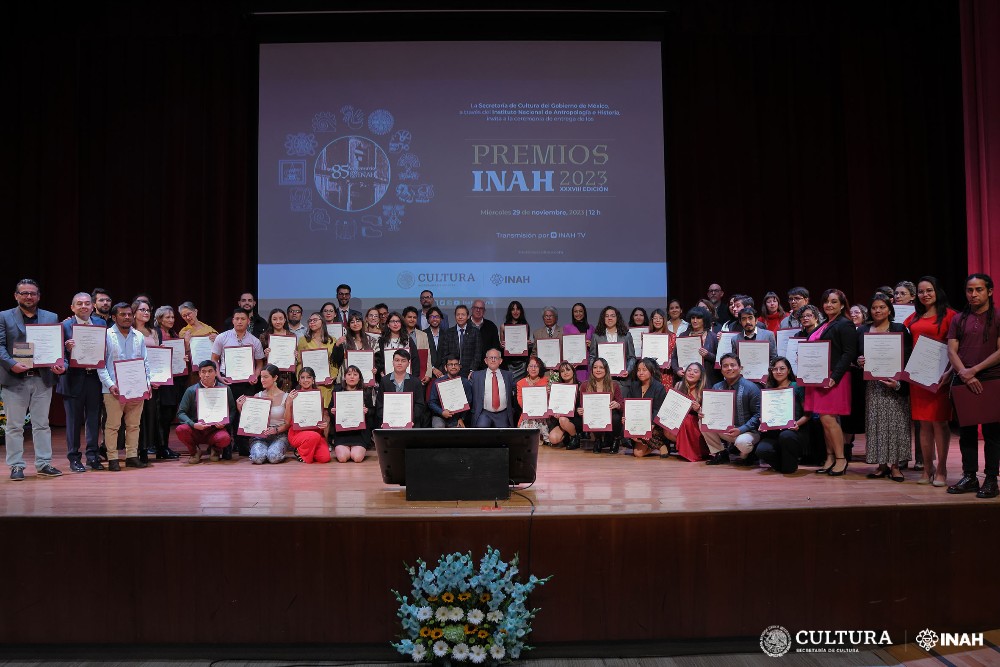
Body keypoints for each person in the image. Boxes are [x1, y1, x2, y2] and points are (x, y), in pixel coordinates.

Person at [1, 279, 66, 480]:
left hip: (42, 378)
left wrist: (59, 364)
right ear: (16, 295)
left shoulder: (50, 316)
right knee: (14, 426)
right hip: (15, 378)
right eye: (24, 293)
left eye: (32, 293)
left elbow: (56, 345)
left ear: (38, 296)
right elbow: (0, 345)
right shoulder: (4, 316)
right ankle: (16, 466)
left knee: (42, 424)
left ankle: (44, 463)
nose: (28, 296)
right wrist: (11, 363)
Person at [946, 274, 1000, 498]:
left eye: (978, 289)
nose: (973, 294)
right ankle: (969, 476)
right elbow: (951, 350)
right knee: (966, 433)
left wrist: (974, 371)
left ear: (989, 291)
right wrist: (964, 374)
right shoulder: (958, 318)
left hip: (990, 379)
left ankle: (990, 479)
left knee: (992, 433)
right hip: (963, 380)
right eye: (970, 290)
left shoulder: (997, 316)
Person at [903, 276, 957, 484]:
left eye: (929, 290)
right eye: (921, 291)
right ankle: (927, 468)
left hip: (940, 377)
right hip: (918, 377)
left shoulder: (951, 316)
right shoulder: (914, 318)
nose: (925, 295)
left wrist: (950, 371)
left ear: (937, 292)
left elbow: (956, 349)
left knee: (939, 423)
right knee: (923, 424)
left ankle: (942, 470)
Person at [857, 294, 912, 482]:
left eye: (882, 307)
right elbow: (857, 357)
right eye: (874, 308)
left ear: (889, 309)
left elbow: (907, 356)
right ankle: (881, 465)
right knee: (876, 424)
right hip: (873, 385)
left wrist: (899, 382)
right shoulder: (863, 330)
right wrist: (859, 360)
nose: (878, 311)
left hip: (895, 383)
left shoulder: (899, 329)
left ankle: (896, 466)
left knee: (896, 424)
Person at [803, 289, 857, 477]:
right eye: (826, 301)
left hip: (835, 378)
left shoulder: (845, 324)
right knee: (825, 421)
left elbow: (849, 353)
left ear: (842, 305)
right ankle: (830, 457)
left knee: (828, 418)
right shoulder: (825, 324)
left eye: (834, 302)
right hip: (819, 378)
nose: (829, 305)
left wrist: (835, 376)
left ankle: (841, 459)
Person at [96, 302, 152, 471]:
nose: (127, 317)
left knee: (134, 425)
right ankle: (112, 458)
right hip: (113, 389)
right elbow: (100, 364)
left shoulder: (138, 336)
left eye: (129, 314)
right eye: (122, 314)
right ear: (114, 317)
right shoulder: (106, 335)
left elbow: (145, 362)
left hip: (136, 388)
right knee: (112, 426)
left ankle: (131, 456)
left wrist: (147, 383)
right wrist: (110, 384)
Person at [57, 292, 107, 471]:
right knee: (73, 421)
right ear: (72, 307)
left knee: (94, 419)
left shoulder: (101, 324)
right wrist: (66, 347)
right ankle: (74, 458)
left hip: (94, 378)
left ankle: (92, 456)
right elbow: (57, 352)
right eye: (79, 304)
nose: (84, 306)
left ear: (93, 306)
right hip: (72, 379)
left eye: (87, 303)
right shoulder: (65, 325)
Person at [212, 308, 266, 456]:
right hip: (227, 380)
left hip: (247, 383)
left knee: (245, 414)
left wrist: (256, 375)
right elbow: (214, 360)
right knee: (229, 413)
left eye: (243, 319)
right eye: (237, 319)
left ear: (248, 321)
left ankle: (243, 445)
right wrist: (219, 377)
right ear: (233, 320)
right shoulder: (222, 338)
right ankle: (227, 446)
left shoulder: (254, 341)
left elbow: (260, 362)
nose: (240, 321)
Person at [703, 353, 762, 466]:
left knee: (743, 443)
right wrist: (704, 413)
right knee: (703, 421)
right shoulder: (717, 387)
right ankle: (720, 453)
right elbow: (712, 411)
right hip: (726, 429)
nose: (729, 368)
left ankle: (749, 454)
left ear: (740, 368)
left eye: (733, 365)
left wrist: (741, 430)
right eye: (725, 366)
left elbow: (758, 415)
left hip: (748, 432)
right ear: (721, 370)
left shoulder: (751, 388)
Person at [756, 357, 810, 473]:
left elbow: (808, 414)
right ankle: (786, 462)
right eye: (775, 369)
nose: (778, 372)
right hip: (774, 432)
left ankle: (789, 462)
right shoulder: (769, 389)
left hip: (795, 432)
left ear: (789, 370)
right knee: (761, 450)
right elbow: (764, 413)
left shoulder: (797, 386)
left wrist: (797, 423)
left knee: (786, 436)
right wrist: (763, 422)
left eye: (782, 368)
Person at [175, 360, 236, 464]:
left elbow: (232, 410)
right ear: (199, 374)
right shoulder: (191, 390)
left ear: (216, 372)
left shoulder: (225, 389)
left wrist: (225, 423)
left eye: (210, 371)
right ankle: (194, 452)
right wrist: (193, 424)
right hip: (196, 429)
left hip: (215, 430)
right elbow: (181, 413)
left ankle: (215, 449)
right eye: (203, 372)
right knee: (181, 429)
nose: (206, 375)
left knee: (225, 438)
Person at [236, 364, 289, 464]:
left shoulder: (286, 397)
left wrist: (275, 430)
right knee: (258, 458)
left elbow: (288, 423)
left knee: (273, 457)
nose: (262, 380)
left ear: (275, 378)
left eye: (266, 377)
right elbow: (251, 420)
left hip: (279, 435)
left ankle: (274, 451)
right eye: (261, 377)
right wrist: (240, 408)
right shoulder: (258, 396)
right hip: (260, 436)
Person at [151, 305, 184, 460]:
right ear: (159, 319)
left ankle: (164, 446)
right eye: (167, 317)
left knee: (169, 414)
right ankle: (160, 448)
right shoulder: (155, 333)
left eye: (172, 317)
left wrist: (184, 358)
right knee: (162, 415)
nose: (171, 320)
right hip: (161, 381)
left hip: (174, 379)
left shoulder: (173, 333)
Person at [132, 299, 160, 464]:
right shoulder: (129, 331)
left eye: (148, 310)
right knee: (135, 416)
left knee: (149, 414)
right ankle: (134, 448)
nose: (146, 313)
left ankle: (145, 448)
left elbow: (158, 357)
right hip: (134, 377)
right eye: (142, 310)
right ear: (134, 312)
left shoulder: (153, 332)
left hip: (152, 379)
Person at [622, 357, 668, 458]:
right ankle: (656, 445)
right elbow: (629, 406)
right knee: (638, 454)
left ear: (651, 371)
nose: (640, 373)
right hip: (638, 423)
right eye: (638, 370)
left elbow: (658, 410)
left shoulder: (659, 387)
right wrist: (626, 420)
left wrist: (649, 427)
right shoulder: (634, 386)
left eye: (644, 370)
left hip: (655, 424)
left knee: (638, 453)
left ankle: (661, 444)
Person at [578, 357, 625, 453]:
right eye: (595, 367)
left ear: (606, 370)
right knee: (592, 414)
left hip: (610, 415)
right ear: (591, 370)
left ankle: (616, 439)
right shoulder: (585, 385)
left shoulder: (614, 385)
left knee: (616, 417)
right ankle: (598, 439)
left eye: (601, 367)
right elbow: (583, 406)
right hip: (595, 416)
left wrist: (617, 405)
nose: (598, 370)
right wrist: (580, 410)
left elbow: (622, 404)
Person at [665, 362, 709, 462]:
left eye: (695, 371)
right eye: (689, 370)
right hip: (678, 419)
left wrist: (699, 409)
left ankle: (694, 451)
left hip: (697, 424)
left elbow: (707, 414)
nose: (691, 373)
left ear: (701, 376)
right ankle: (684, 450)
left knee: (687, 420)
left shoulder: (703, 390)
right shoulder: (678, 385)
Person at [286, 367, 331, 464]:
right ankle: (301, 451)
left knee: (325, 458)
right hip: (297, 433)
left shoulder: (319, 395)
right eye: (302, 377)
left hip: (315, 432)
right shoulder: (293, 395)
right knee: (313, 437)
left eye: (308, 377)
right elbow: (286, 421)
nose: (305, 380)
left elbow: (321, 416)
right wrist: (288, 403)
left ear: (313, 379)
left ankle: (308, 448)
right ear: (299, 380)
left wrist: (324, 424)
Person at [330, 365, 375, 461]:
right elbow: (330, 411)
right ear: (344, 377)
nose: (352, 377)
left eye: (355, 374)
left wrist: (366, 411)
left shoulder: (365, 392)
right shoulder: (337, 391)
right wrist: (332, 412)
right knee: (342, 458)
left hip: (359, 434)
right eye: (349, 374)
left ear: (359, 378)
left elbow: (372, 411)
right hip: (342, 433)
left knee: (357, 458)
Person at [376, 349, 428, 427]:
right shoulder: (385, 381)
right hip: (389, 424)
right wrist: (386, 420)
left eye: (403, 361)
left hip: (411, 424)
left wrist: (410, 419)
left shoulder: (415, 381)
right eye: (397, 360)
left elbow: (419, 405)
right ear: (392, 362)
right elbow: (379, 405)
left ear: (408, 363)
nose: (399, 363)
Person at [296, 311, 338, 409]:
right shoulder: (303, 340)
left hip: (326, 383)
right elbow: (299, 362)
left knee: (326, 414)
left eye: (315, 320)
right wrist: (301, 378)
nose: (312, 323)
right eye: (310, 321)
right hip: (308, 384)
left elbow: (334, 362)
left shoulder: (332, 340)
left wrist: (333, 376)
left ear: (322, 322)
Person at [471, 348, 516, 428]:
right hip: (484, 413)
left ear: (500, 361)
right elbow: (466, 391)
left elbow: (517, 390)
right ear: (485, 360)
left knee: (503, 436)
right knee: (481, 429)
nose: (493, 360)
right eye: (490, 358)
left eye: (496, 358)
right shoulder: (476, 376)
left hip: (503, 413)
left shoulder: (508, 375)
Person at [178, 301, 218, 386]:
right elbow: (182, 355)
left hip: (211, 369)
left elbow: (219, 349)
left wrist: (217, 339)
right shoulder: (184, 332)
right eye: (184, 316)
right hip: (195, 372)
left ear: (195, 312)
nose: (187, 317)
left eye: (189, 314)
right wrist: (186, 343)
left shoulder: (209, 329)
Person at [436, 305, 483, 377]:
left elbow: (477, 354)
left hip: (469, 373)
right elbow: (444, 354)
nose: (460, 317)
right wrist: (447, 370)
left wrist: (472, 370)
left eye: (463, 315)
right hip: (452, 372)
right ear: (455, 316)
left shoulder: (475, 332)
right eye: (458, 315)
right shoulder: (448, 332)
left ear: (468, 316)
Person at [429, 354, 473, 428]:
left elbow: (469, 402)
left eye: (456, 364)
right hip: (440, 416)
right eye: (450, 364)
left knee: (459, 430)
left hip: (457, 417)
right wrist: (442, 412)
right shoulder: (438, 382)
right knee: (438, 426)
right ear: (446, 368)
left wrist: (461, 418)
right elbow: (431, 402)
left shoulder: (465, 382)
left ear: (459, 367)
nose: (453, 367)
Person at [374, 311, 421, 380]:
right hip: (386, 378)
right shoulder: (381, 341)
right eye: (392, 321)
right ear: (388, 324)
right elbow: (378, 360)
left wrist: (413, 378)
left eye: (398, 321)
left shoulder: (407, 340)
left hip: (407, 378)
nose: (395, 324)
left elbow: (415, 360)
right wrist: (381, 373)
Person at [589, 306, 636, 375]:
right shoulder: (596, 336)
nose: (610, 318)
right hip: (602, 379)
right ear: (603, 319)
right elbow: (592, 357)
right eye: (607, 316)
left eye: (612, 316)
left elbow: (632, 357)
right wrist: (596, 370)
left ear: (617, 318)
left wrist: (628, 370)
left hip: (622, 380)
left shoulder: (626, 335)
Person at [546, 361, 582, 449]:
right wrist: (549, 395)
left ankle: (575, 437)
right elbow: (553, 406)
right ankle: (566, 437)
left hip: (575, 418)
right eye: (562, 371)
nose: (565, 373)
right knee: (553, 439)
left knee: (563, 419)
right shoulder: (556, 388)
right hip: (560, 419)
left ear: (573, 371)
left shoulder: (581, 386)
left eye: (568, 370)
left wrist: (579, 410)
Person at [331, 312, 374, 385]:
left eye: (358, 321)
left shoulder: (372, 341)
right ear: (348, 325)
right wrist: (337, 345)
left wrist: (376, 369)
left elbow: (377, 361)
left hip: (366, 380)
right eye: (352, 322)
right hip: (345, 381)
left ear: (362, 323)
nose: (355, 324)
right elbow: (336, 360)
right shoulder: (343, 341)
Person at [515, 356, 550, 443]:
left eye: (536, 366)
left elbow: (550, 403)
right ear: (527, 368)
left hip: (543, 415)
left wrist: (549, 394)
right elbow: (520, 402)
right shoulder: (520, 383)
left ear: (540, 368)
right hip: (528, 414)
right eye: (531, 366)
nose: (533, 369)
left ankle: (541, 436)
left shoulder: (546, 381)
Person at [260, 308, 295, 392]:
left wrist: (295, 356)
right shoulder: (264, 336)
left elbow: (295, 361)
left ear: (285, 320)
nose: (278, 322)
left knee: (284, 401)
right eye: (274, 319)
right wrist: (264, 355)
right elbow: (258, 360)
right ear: (270, 320)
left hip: (286, 376)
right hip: (269, 375)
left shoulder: (291, 336)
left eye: (280, 319)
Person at [501, 300, 532, 381]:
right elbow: (501, 345)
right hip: (508, 362)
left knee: (521, 386)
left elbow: (526, 346)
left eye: (517, 309)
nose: (515, 311)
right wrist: (502, 345)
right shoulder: (503, 326)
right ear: (510, 311)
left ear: (521, 311)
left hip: (522, 363)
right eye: (513, 309)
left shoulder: (525, 326)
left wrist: (527, 344)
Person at [564, 302, 594, 383]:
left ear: (584, 313)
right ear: (572, 313)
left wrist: (591, 345)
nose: (578, 314)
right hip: (574, 363)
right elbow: (565, 347)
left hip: (588, 363)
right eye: (575, 311)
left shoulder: (591, 328)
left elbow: (595, 346)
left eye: (580, 311)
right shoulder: (567, 328)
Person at [402, 306, 432, 384]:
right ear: (403, 318)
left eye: (414, 317)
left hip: (420, 375)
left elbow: (428, 356)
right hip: (402, 374)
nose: (412, 319)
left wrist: (428, 374)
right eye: (409, 317)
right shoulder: (398, 334)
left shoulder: (423, 335)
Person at [423, 306, 445, 379]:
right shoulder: (423, 334)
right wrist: (432, 369)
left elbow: (447, 354)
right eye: (432, 317)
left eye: (437, 316)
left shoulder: (446, 334)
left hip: (443, 372)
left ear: (441, 319)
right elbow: (423, 356)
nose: (434, 319)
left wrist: (440, 370)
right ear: (428, 319)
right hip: (427, 373)